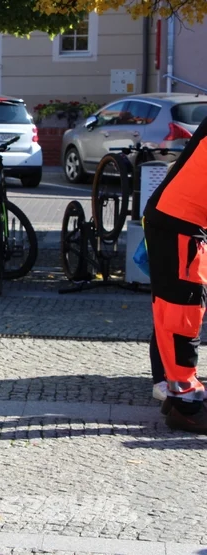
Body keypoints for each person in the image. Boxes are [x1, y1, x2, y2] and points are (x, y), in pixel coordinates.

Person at [143, 116, 207, 433]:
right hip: (181, 221)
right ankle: (186, 404)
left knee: (175, 312)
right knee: (182, 316)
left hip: (175, 218)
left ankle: (178, 394)